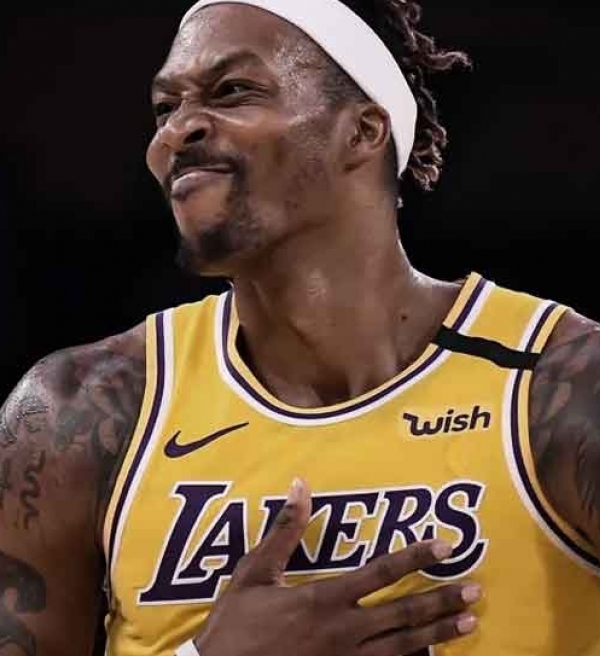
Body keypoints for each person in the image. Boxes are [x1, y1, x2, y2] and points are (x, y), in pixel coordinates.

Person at [2, 0, 600, 655]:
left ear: (363, 131)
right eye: (164, 108)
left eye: (232, 91)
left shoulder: (560, 388)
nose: (175, 131)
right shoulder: (79, 413)